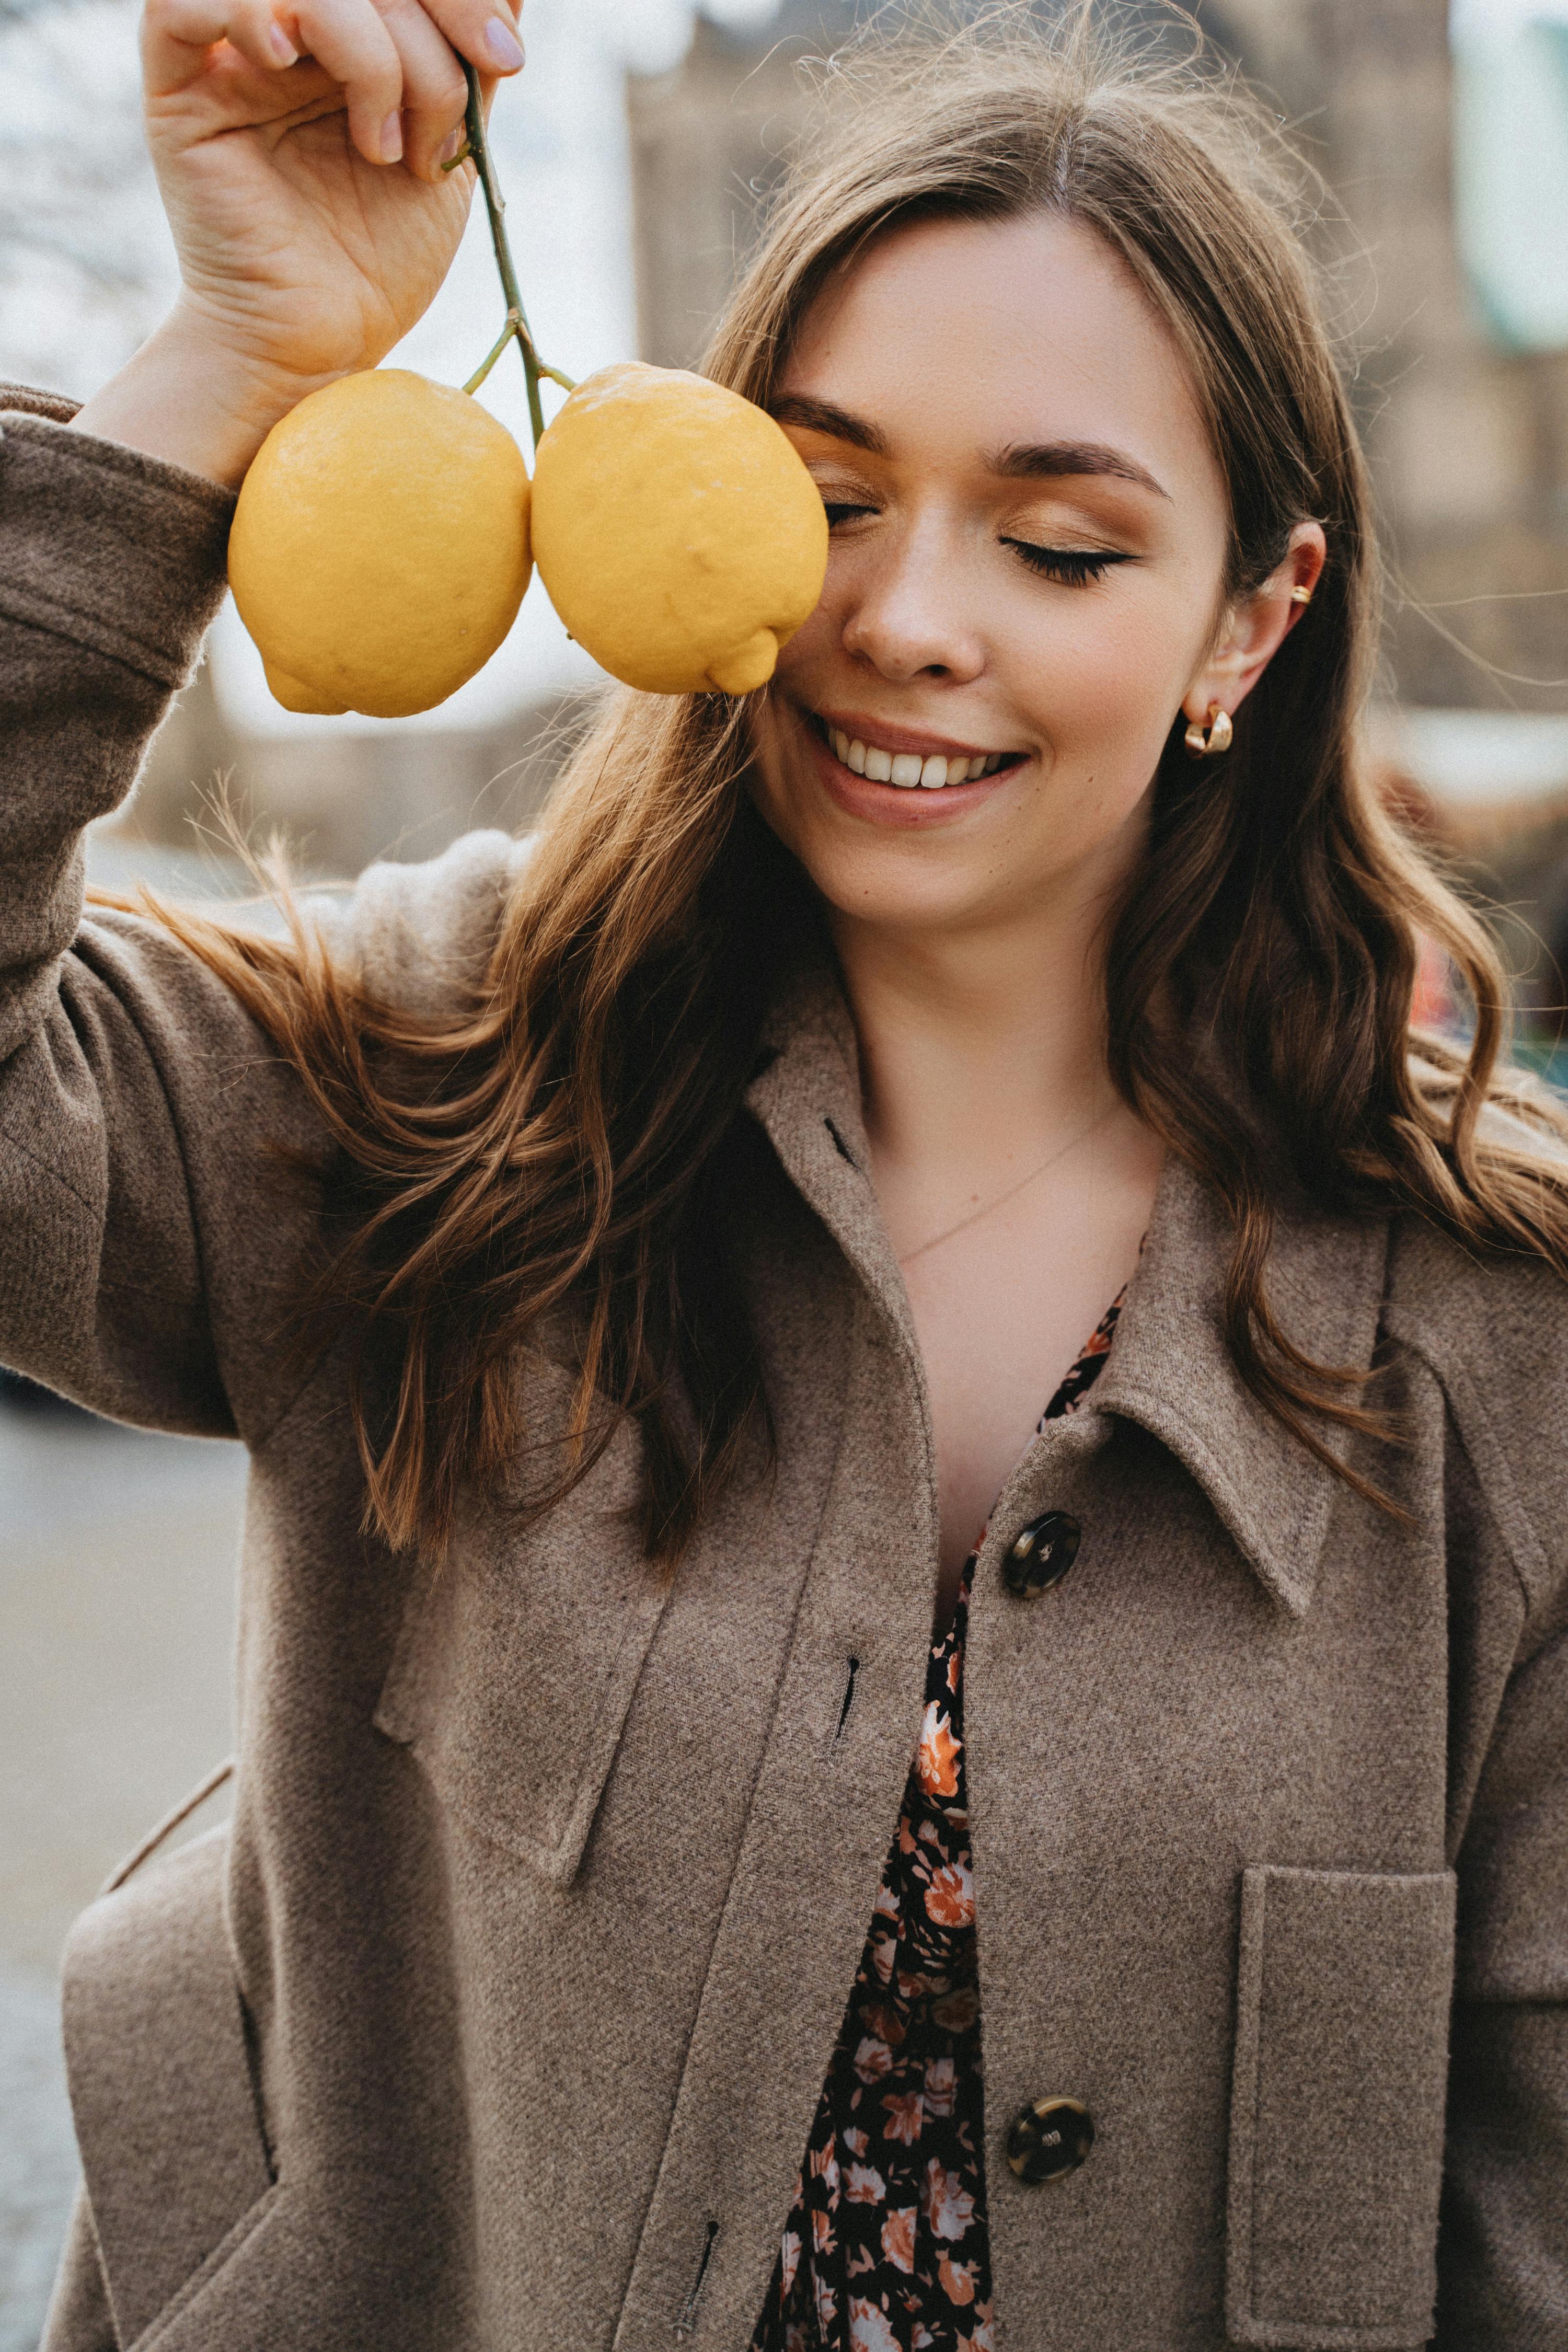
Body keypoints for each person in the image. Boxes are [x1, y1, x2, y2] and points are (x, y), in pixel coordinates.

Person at [3, 2, 1564, 2346]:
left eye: (1056, 542)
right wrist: (227, 357)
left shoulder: (1503, 1345)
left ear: (1252, 619)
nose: (902, 620)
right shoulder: (420, 1088)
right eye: (825, 498)